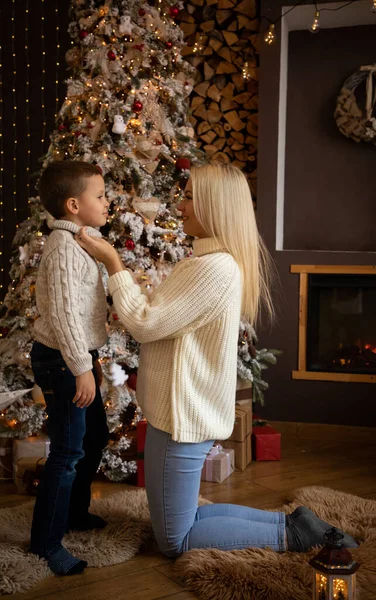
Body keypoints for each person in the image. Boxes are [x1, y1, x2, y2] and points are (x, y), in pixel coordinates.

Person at [77, 163, 358, 557]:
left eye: (191, 197)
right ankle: (294, 523)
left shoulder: (213, 268)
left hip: (183, 420)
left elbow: (145, 321)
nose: (182, 205)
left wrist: (113, 262)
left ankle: (290, 535)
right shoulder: (204, 263)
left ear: (214, 206)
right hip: (175, 415)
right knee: (183, 517)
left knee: (175, 540)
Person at [30, 160, 110, 575]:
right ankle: (46, 542)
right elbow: (63, 316)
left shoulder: (83, 242)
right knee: (68, 449)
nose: (107, 201)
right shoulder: (62, 250)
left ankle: (74, 512)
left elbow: (81, 309)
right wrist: (81, 367)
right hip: (61, 357)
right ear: (74, 204)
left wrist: (90, 357)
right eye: (100, 195)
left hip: (78, 355)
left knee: (95, 434)